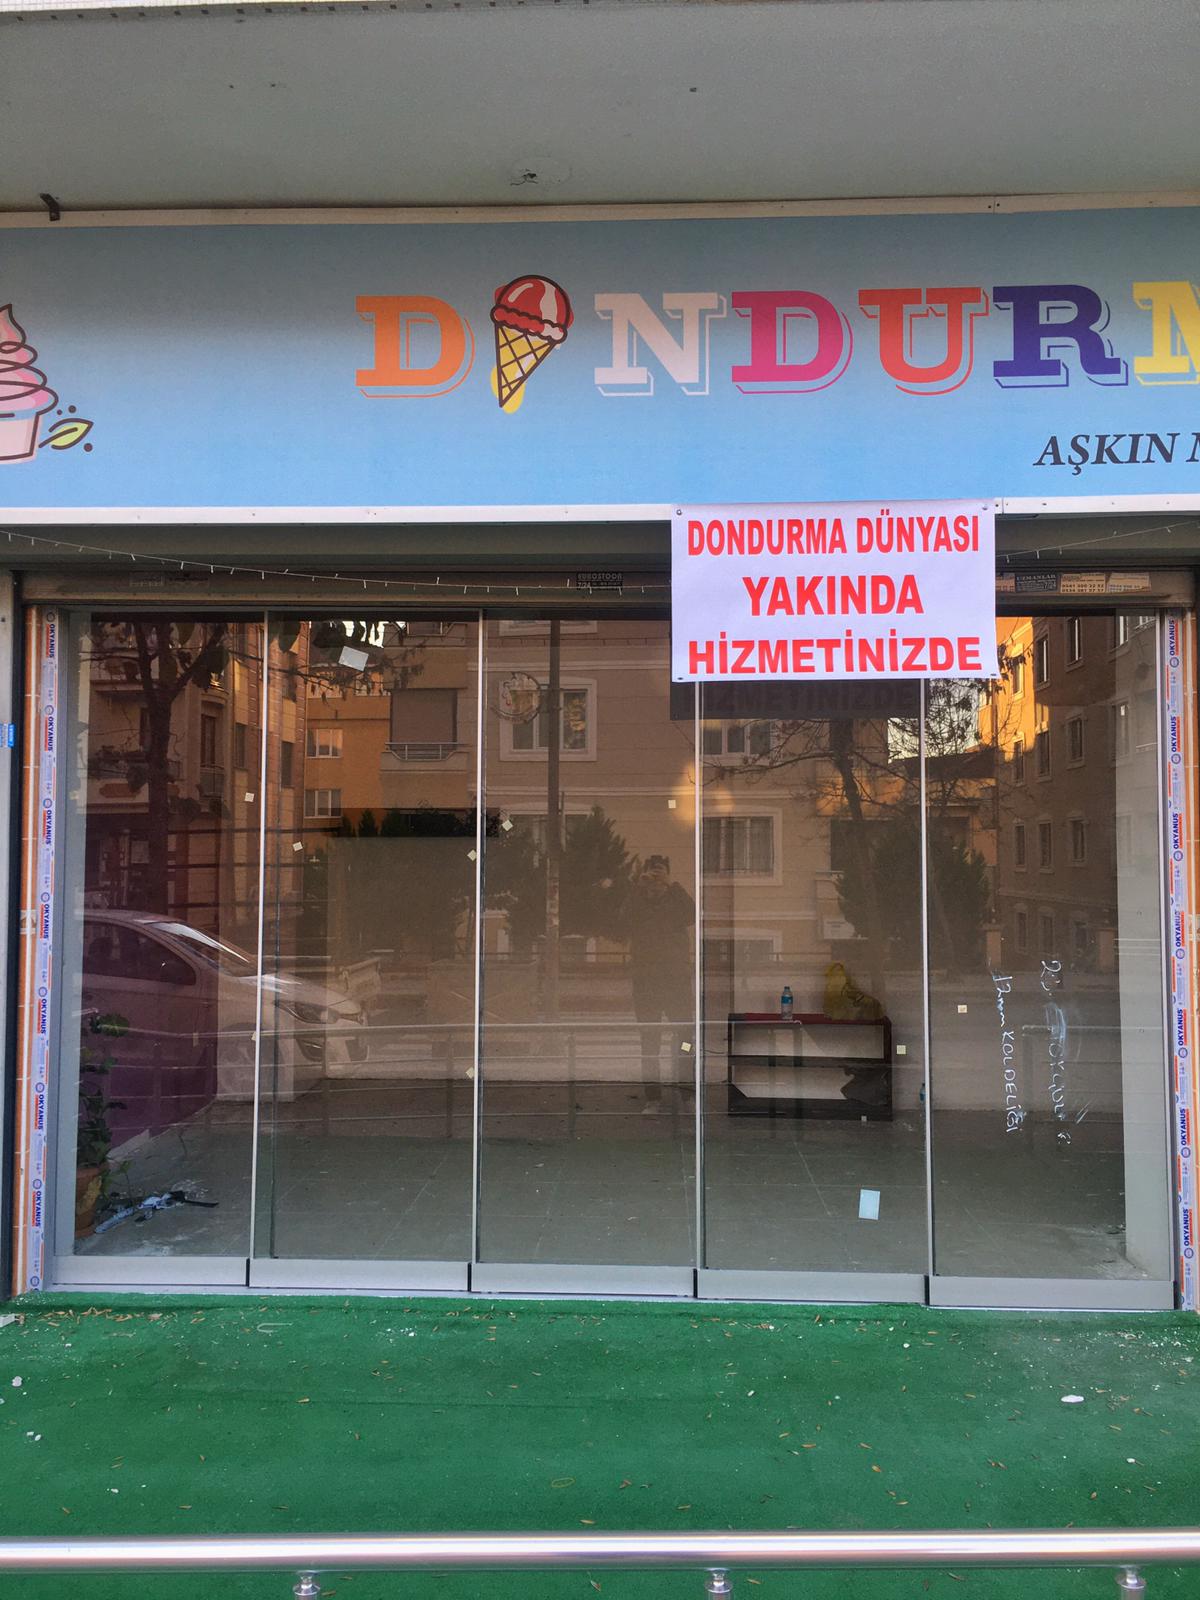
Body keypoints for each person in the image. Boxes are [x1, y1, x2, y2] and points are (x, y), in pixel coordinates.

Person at [628, 855, 694, 1109]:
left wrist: (672, 885)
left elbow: (692, 914)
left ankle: (687, 1094)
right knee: (649, 1044)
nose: (655, 881)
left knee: (685, 1040)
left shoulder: (675, 902)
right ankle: (653, 1098)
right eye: (652, 875)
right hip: (647, 987)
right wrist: (639, 888)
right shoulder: (638, 904)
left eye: (660, 875)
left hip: (676, 985)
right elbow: (623, 918)